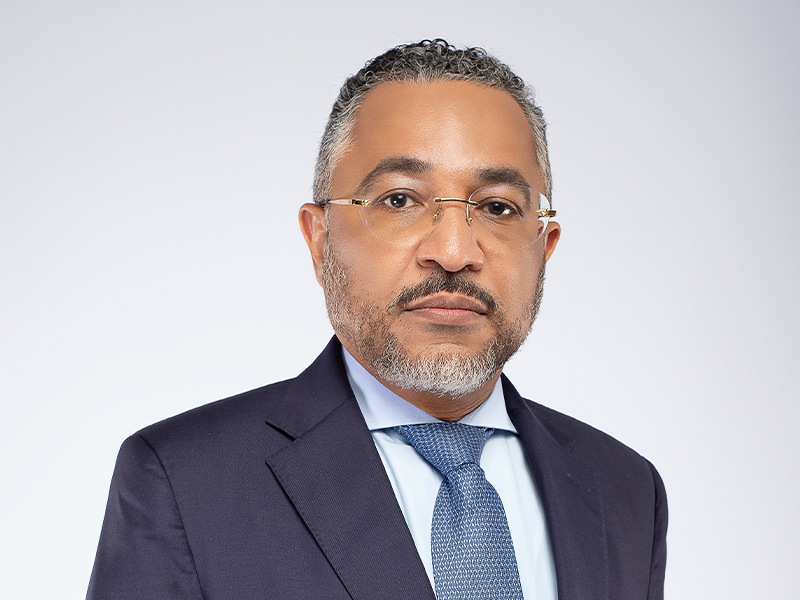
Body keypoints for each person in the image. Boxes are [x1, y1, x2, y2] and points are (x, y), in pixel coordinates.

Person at [87, 39, 667, 600]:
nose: (454, 251)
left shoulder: (627, 491)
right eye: (400, 200)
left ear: (545, 247)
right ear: (320, 240)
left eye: (497, 207)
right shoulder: (184, 482)